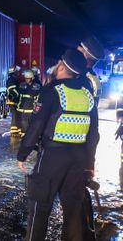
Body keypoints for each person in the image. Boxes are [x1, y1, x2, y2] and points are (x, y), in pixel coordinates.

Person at [17, 49, 98, 240]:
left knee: (40, 207)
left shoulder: (51, 91)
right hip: (78, 160)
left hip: (51, 158)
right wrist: (89, 165)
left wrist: (23, 154)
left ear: (61, 67)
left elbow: (36, 126)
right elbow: (93, 135)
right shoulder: (88, 96)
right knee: (73, 212)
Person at [77, 36, 104, 241]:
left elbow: (91, 125)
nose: (76, 49)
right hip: (70, 144)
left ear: (87, 55)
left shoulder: (88, 81)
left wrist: (89, 162)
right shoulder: (79, 75)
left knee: (78, 191)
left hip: (80, 145)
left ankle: (86, 234)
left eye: (80, 48)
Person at [77, 36, 104, 106]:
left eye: (79, 51)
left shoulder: (77, 77)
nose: (75, 54)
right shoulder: (94, 79)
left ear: (85, 55)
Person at [16, 70, 41, 136]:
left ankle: (30, 137)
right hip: (22, 109)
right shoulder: (22, 85)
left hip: (31, 109)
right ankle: (24, 137)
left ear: (32, 78)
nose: (27, 80)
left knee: (31, 124)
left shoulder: (36, 86)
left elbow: (38, 97)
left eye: (28, 78)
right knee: (23, 124)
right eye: (26, 78)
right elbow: (19, 95)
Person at [6, 65, 21, 135]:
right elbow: (13, 90)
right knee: (15, 114)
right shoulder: (12, 80)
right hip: (12, 100)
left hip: (13, 100)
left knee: (15, 114)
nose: (18, 73)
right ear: (14, 72)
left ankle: (15, 129)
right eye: (16, 72)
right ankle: (14, 130)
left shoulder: (11, 79)